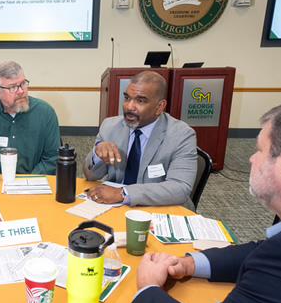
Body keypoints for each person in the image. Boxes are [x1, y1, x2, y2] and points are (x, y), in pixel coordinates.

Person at [126, 99, 281, 303]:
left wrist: (148, 288)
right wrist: (190, 263)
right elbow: (264, 250)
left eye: (259, 150)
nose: (250, 158)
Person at [83, 71, 197, 209]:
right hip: (114, 206)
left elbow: (180, 188)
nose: (129, 107)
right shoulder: (110, 126)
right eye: (127, 98)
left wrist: (123, 194)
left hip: (159, 208)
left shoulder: (181, 135)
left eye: (140, 100)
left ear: (159, 106)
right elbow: (91, 175)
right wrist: (97, 155)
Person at [0, 61, 60, 175]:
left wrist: (29, 182)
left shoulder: (46, 112)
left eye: (23, 83)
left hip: (36, 182)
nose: (21, 91)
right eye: (13, 87)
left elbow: (52, 157)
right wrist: (3, 182)